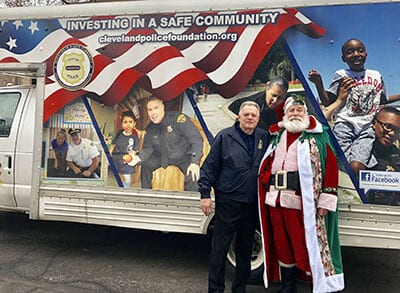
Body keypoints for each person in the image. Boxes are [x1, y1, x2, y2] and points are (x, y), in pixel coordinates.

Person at [258, 96, 344, 293]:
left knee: (304, 244)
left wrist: (326, 199)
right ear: (285, 114)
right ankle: (289, 286)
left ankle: (318, 283)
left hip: (301, 204)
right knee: (281, 245)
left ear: (306, 114)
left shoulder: (318, 137)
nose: (295, 114)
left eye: (299, 110)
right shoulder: (277, 136)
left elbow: (330, 168)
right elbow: (268, 165)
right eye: (291, 111)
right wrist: (265, 180)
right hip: (275, 202)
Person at [198, 101, 269, 293]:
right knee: (220, 250)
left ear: (258, 118)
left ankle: (239, 289)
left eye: (253, 115)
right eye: (246, 114)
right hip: (228, 202)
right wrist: (205, 194)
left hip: (251, 203)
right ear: (238, 116)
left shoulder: (264, 137)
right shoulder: (225, 137)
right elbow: (209, 167)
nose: (249, 118)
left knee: (244, 251)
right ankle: (215, 289)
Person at [308, 38, 400, 177]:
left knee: (357, 166)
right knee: (338, 163)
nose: (356, 54)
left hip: (367, 128)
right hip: (345, 124)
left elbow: (383, 100)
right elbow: (328, 102)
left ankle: (361, 193)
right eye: (350, 52)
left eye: (360, 50)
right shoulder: (342, 75)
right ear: (343, 58)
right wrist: (319, 84)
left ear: (366, 54)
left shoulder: (376, 75)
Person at [130, 97, 203, 191]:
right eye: (150, 109)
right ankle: (146, 194)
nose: (153, 113)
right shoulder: (150, 128)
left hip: (183, 157)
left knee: (193, 175)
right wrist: (138, 158)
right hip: (161, 157)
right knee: (146, 165)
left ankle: (189, 202)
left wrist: (195, 162)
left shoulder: (178, 119)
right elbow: (147, 148)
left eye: (156, 108)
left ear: (163, 107)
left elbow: (195, 138)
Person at [366, 106, 400, 205]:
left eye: (397, 130)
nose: (392, 133)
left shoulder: (396, 156)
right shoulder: (360, 154)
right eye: (388, 127)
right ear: (374, 123)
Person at [109, 111, 140, 187]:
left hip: (127, 160)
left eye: (130, 122)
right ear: (122, 124)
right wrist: (110, 153)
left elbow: (135, 150)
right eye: (125, 122)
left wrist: (131, 156)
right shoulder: (119, 133)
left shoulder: (135, 137)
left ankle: (126, 189)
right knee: (117, 176)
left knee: (127, 179)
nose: (128, 124)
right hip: (117, 157)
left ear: (134, 124)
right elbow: (113, 144)